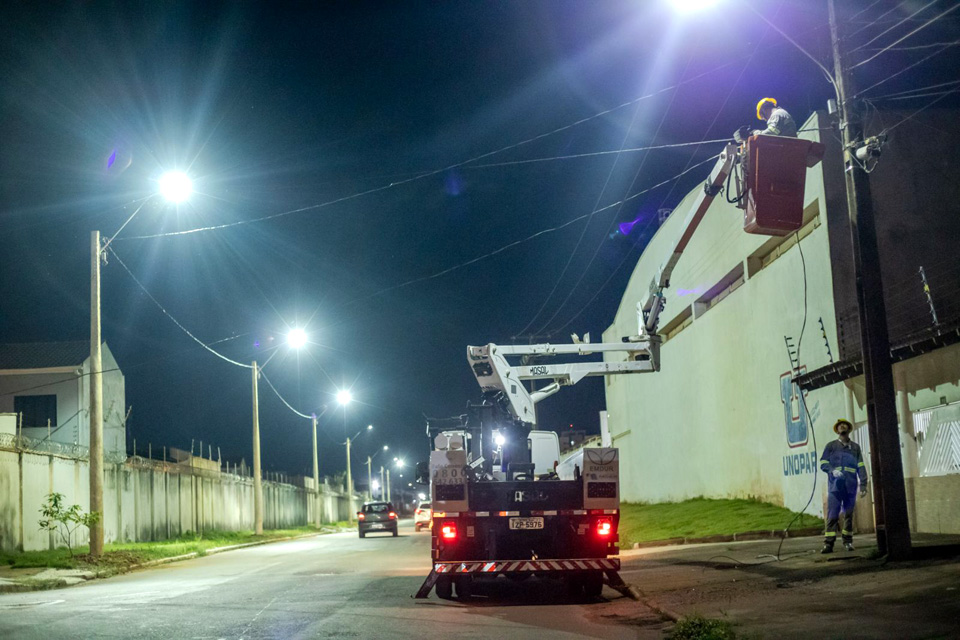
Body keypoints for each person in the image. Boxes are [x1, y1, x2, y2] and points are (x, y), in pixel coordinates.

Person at [819, 419, 868, 553]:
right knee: (833, 515)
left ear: (848, 429)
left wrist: (863, 485)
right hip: (835, 487)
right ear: (837, 430)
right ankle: (828, 544)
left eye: (844, 425)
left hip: (850, 486)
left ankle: (848, 542)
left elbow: (861, 466)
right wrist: (832, 470)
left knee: (848, 515)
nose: (842, 426)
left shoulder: (855, 448)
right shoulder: (831, 446)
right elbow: (823, 462)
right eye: (839, 426)